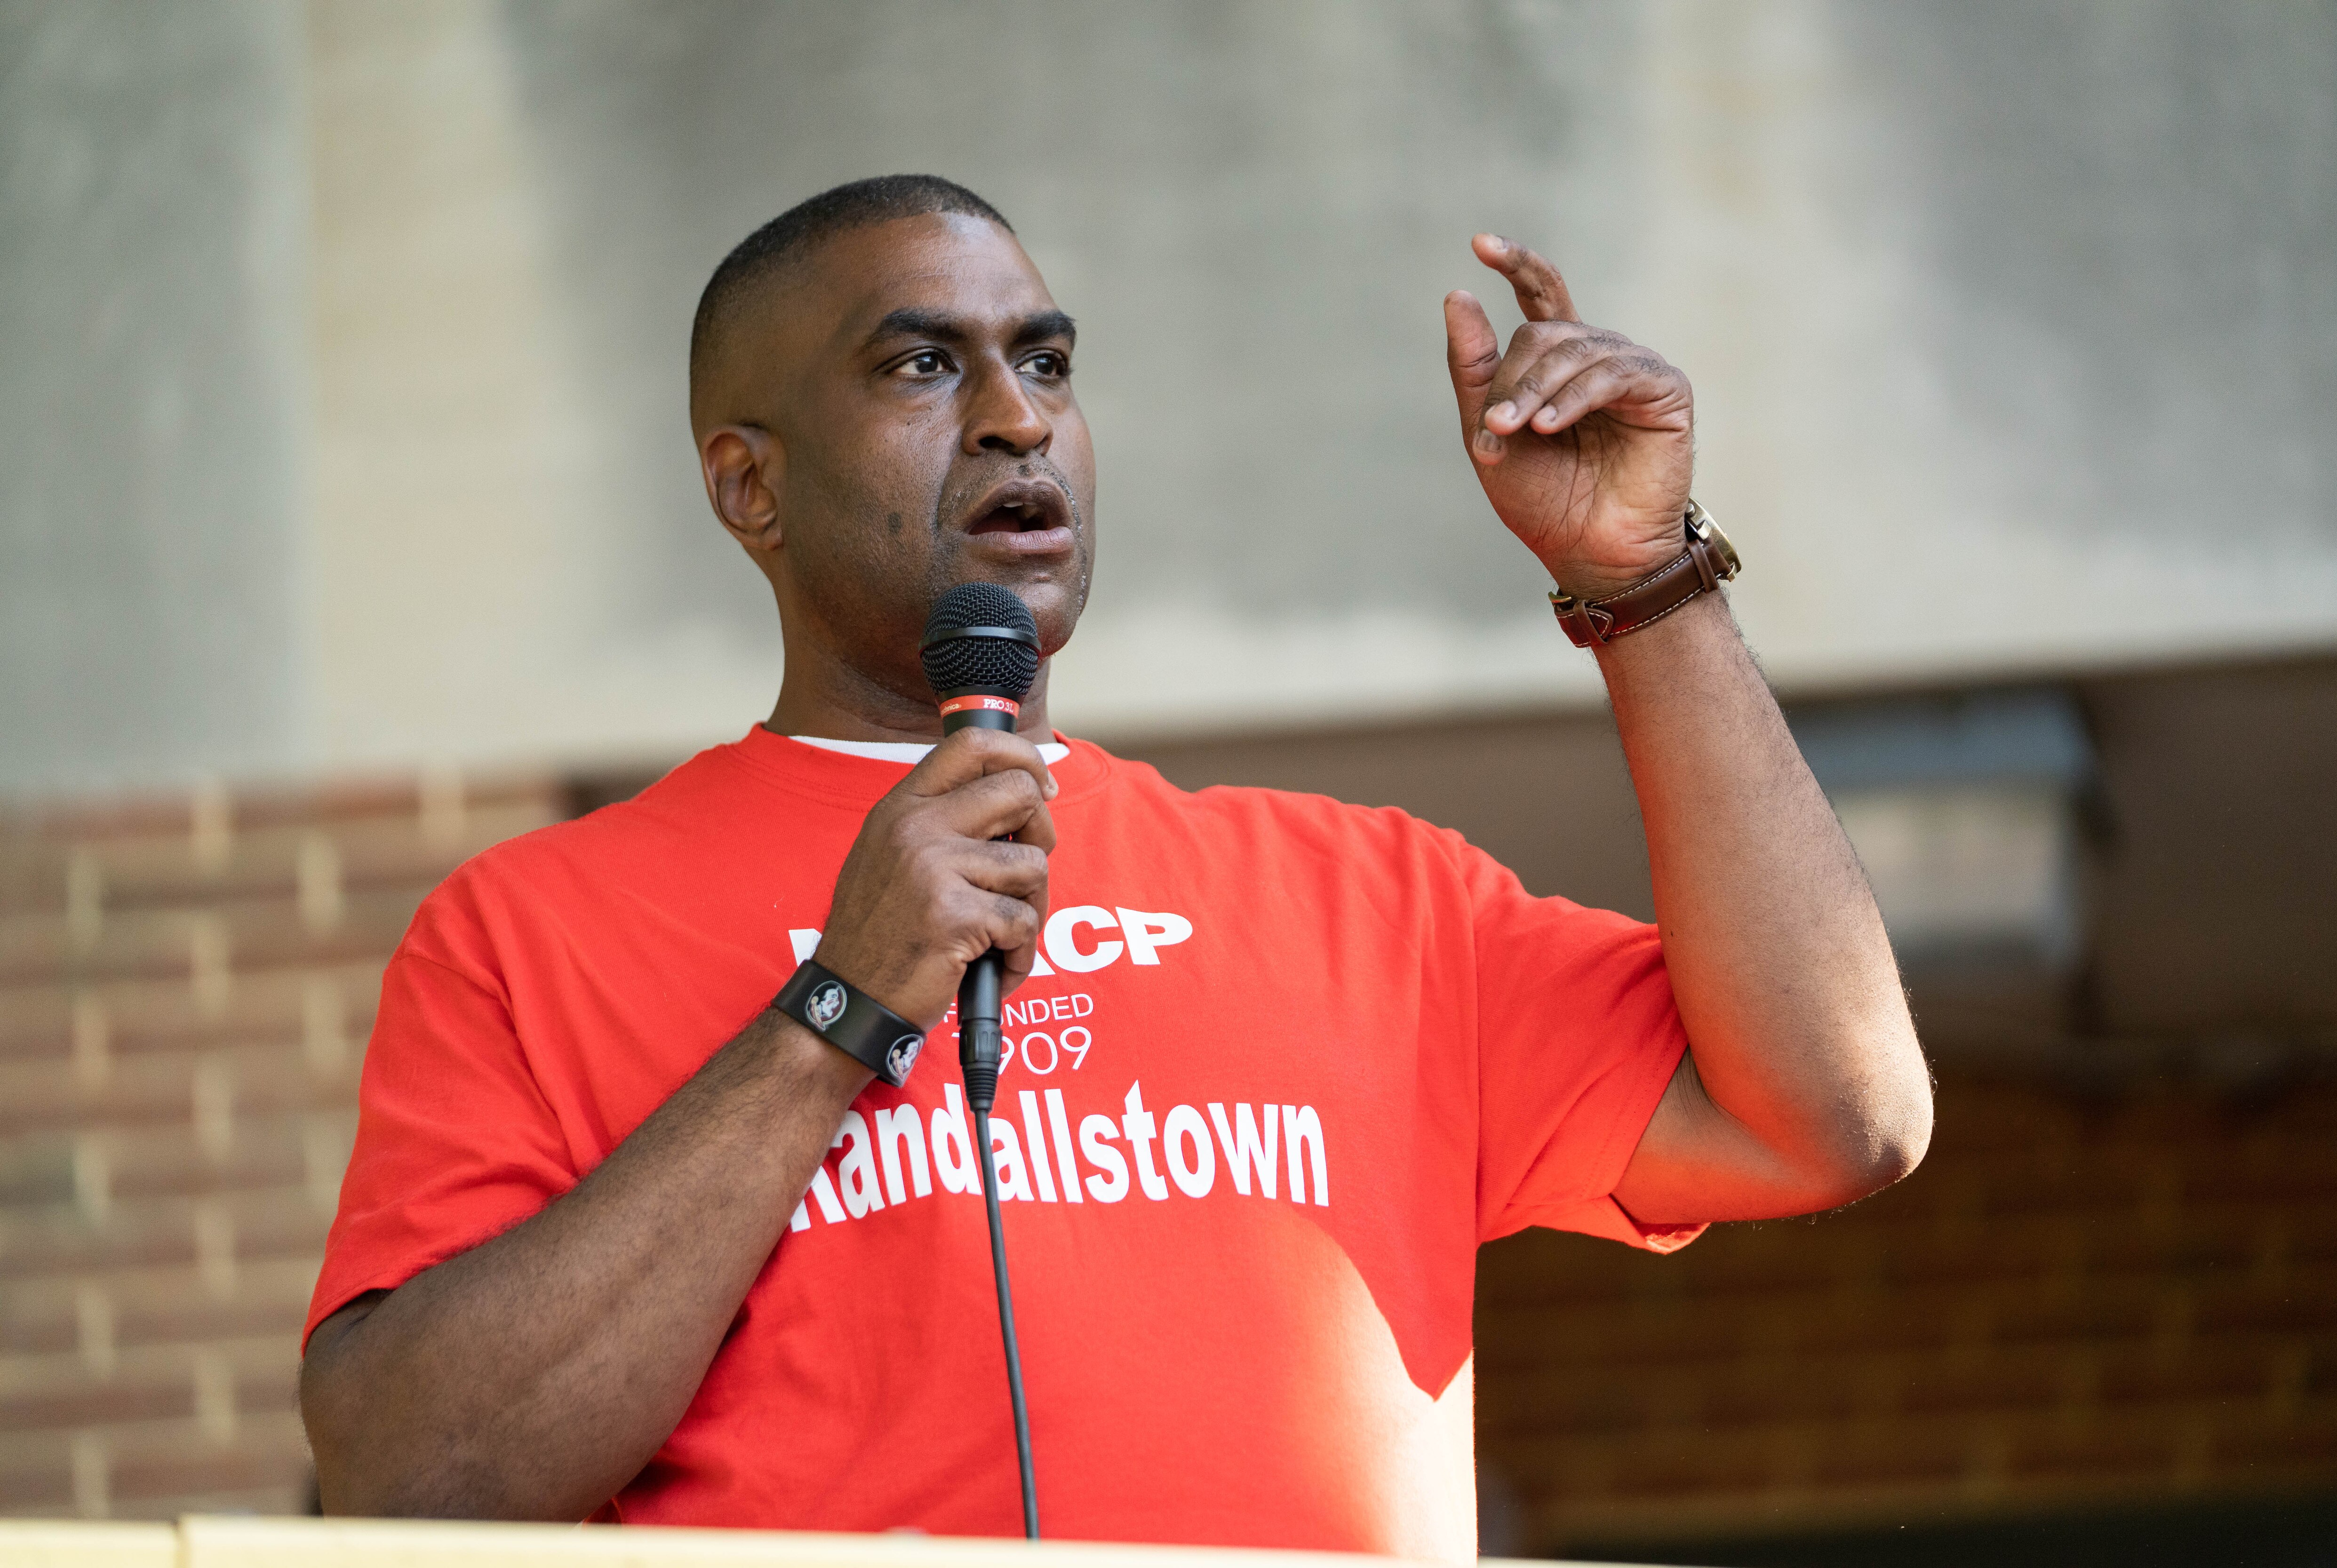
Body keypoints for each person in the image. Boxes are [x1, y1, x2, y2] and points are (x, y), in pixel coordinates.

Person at [298, 175, 1932, 1558]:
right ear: (750, 484)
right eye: (922, 364)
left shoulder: (1372, 897)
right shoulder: (530, 931)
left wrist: (1646, 585)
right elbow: (417, 1480)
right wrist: (836, 1013)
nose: (1018, 415)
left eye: (1048, 361)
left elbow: (1838, 1114)